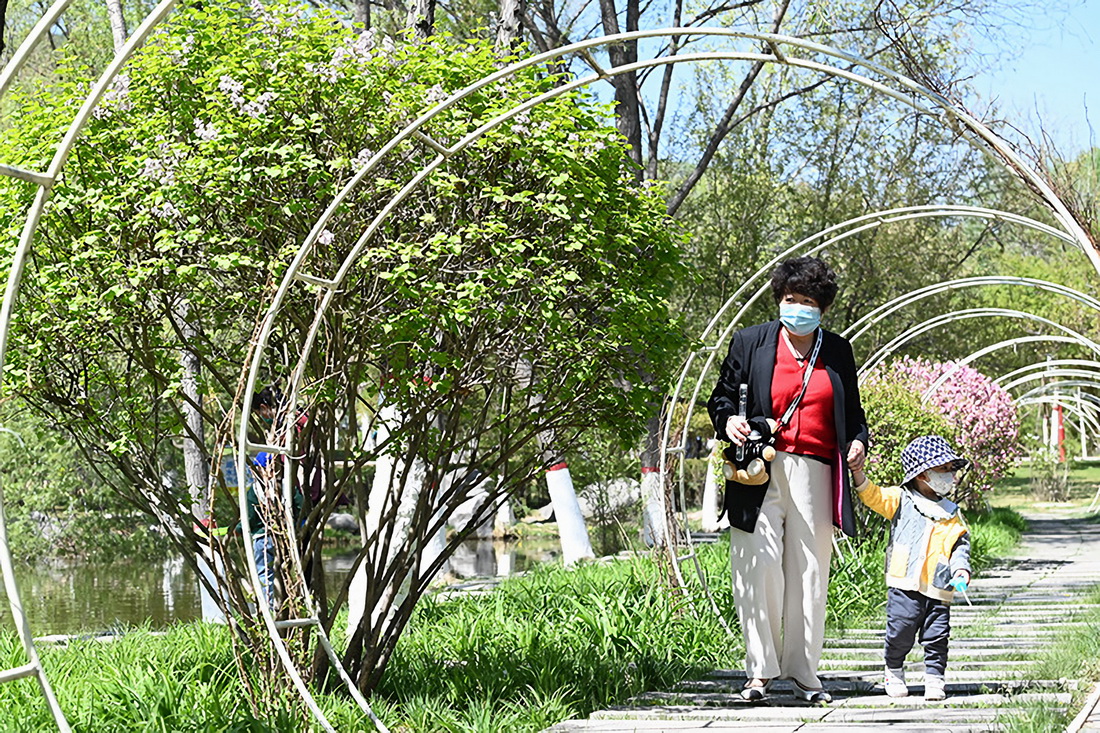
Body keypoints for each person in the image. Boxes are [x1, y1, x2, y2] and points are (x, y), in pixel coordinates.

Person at [707, 256, 868, 703]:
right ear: (779, 299)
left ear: (822, 309)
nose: (797, 308)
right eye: (789, 299)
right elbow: (719, 398)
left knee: (810, 572)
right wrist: (729, 423)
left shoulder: (837, 351)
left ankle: (803, 673)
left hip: (815, 471)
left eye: (807, 302)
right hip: (757, 469)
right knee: (757, 567)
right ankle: (759, 671)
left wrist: (858, 443)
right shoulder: (751, 342)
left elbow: (853, 417)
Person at [850, 435, 971, 702]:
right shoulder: (901, 500)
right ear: (922, 474)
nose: (950, 476)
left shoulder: (950, 512)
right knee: (900, 630)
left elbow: (959, 545)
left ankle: (935, 678)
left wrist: (961, 570)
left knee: (937, 634)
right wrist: (858, 473)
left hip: (938, 586)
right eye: (944, 469)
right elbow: (874, 496)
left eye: (952, 470)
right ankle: (893, 669)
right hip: (904, 583)